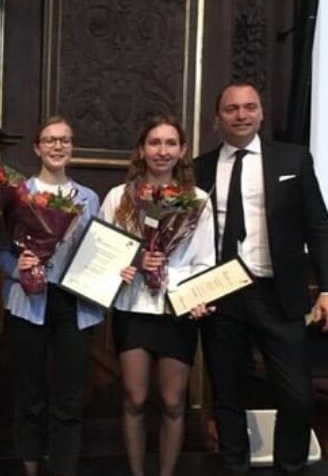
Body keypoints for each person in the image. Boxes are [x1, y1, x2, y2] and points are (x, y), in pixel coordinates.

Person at [194, 82, 328, 474]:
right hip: (221, 294)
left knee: (298, 396)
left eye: (249, 107)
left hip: (279, 294)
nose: (241, 115)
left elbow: (319, 227)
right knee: (227, 395)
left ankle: (291, 467)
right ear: (217, 117)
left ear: (261, 113)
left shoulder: (293, 159)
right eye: (232, 108)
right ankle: (233, 466)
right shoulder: (199, 168)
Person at [0, 116, 109, 476]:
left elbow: (99, 250)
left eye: (65, 140)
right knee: (29, 396)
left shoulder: (89, 198)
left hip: (74, 305)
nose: (58, 146)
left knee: (69, 400)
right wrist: (19, 266)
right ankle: (30, 467)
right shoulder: (18, 195)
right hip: (27, 303)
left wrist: (114, 270)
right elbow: (0, 253)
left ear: (72, 147)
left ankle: (63, 469)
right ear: (37, 148)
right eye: (50, 140)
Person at [101, 115, 215, 476]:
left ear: (182, 151)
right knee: (134, 399)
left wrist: (196, 295)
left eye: (170, 143)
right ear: (141, 149)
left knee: (172, 402)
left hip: (177, 309)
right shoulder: (119, 197)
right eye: (154, 143)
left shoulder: (197, 201)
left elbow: (204, 260)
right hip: (132, 306)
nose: (162, 151)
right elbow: (103, 252)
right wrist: (135, 261)